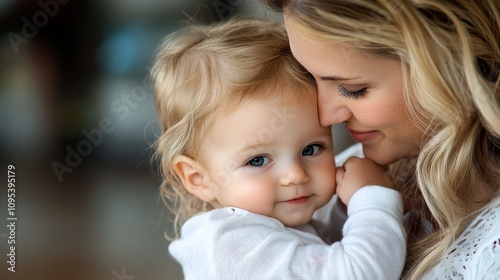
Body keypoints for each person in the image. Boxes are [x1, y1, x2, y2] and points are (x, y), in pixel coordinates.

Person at [150, 17, 406, 279]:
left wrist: (345, 208)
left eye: (311, 149)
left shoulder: (263, 226)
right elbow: (358, 274)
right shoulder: (233, 246)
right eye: (258, 160)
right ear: (198, 178)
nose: (295, 174)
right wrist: (372, 200)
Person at [260, 0, 500, 279]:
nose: (324, 117)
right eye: (312, 81)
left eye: (353, 89)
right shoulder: (338, 174)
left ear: (452, 62)